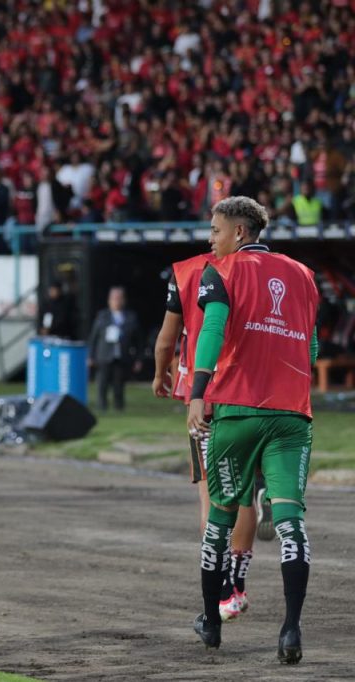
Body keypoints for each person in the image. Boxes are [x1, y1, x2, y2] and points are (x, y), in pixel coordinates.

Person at [187, 196, 318, 664]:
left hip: (237, 411)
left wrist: (199, 392)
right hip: (291, 415)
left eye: (216, 230)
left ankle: (210, 620)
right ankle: (290, 629)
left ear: (240, 233)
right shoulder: (304, 276)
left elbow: (212, 330)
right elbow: (312, 349)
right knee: (291, 523)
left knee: (219, 519)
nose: (211, 239)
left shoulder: (220, 271)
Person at [152, 250, 261, 623]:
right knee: (246, 492)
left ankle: (225, 589)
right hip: (254, 394)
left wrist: (159, 374)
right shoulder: (264, 270)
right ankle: (238, 582)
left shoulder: (185, 272)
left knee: (212, 495)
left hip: (204, 393)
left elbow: (167, 340)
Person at [87, 286, 142, 410]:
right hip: (104, 355)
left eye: (119, 298)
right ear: (109, 300)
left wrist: (138, 358)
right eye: (114, 298)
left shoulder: (130, 317)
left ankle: (119, 406)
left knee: (119, 384)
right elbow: (94, 337)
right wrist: (91, 356)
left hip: (121, 355)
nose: (116, 301)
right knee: (102, 383)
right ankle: (102, 407)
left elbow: (138, 340)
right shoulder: (102, 316)